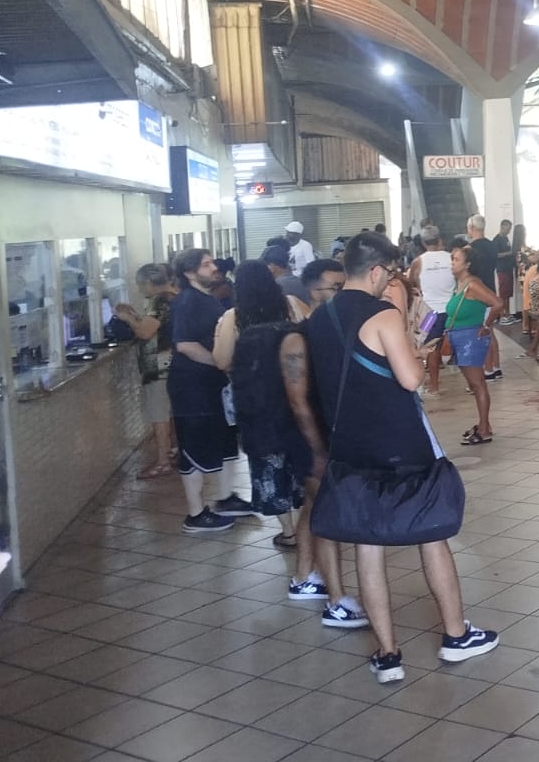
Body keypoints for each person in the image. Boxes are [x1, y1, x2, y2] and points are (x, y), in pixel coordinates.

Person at [305, 231, 499, 680]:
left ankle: (388, 654)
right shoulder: (381, 314)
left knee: (368, 545)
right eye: (389, 273)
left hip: (350, 444)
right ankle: (455, 636)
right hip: (399, 442)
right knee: (432, 536)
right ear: (375, 270)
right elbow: (410, 379)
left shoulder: (320, 317)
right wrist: (417, 351)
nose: (389, 280)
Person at [215, 262, 324, 603]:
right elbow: (314, 336)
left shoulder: (233, 317)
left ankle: (289, 531)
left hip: (258, 403)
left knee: (269, 463)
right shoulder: (292, 304)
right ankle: (311, 520)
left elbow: (221, 360)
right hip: (298, 392)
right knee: (302, 457)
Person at [167, 249, 254, 533]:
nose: (214, 267)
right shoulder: (186, 301)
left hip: (215, 386)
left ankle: (225, 498)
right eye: (206, 265)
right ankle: (195, 514)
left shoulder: (209, 299)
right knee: (195, 447)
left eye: (211, 262)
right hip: (192, 389)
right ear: (189, 273)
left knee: (225, 442)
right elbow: (185, 345)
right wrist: (220, 362)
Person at [117, 263, 177, 479]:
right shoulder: (173, 295)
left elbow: (145, 332)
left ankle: (163, 461)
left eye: (140, 285)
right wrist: (135, 314)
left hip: (159, 365)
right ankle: (172, 451)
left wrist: (127, 318)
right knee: (168, 412)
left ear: (150, 283)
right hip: (171, 362)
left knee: (159, 413)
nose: (140, 289)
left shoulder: (160, 300)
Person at [447, 243, 505, 445]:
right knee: (474, 384)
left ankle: (484, 428)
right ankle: (483, 424)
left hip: (470, 339)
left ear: (467, 264)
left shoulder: (472, 285)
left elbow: (498, 303)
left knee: (478, 384)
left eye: (456, 260)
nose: (452, 263)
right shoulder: (460, 284)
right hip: (461, 338)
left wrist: (486, 325)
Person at [411, 226, 454, 394]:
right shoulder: (451, 258)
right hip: (451, 309)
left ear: (423, 242)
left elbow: (411, 283)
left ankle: (434, 386)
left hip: (429, 314)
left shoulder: (418, 262)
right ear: (439, 239)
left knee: (430, 347)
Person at [465, 215, 503, 380]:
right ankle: (496, 366)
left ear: (471, 228)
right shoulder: (492, 246)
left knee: (482, 332)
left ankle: (488, 370)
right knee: (490, 330)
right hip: (491, 289)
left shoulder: (469, 249)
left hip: (478, 292)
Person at [493, 220, 519, 325]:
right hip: (502, 269)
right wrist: (509, 253)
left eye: (510, 229)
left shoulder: (506, 238)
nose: (508, 231)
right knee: (503, 293)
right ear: (502, 227)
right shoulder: (496, 240)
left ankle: (507, 314)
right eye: (507, 229)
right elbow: (496, 255)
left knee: (508, 293)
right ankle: (502, 315)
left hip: (508, 268)